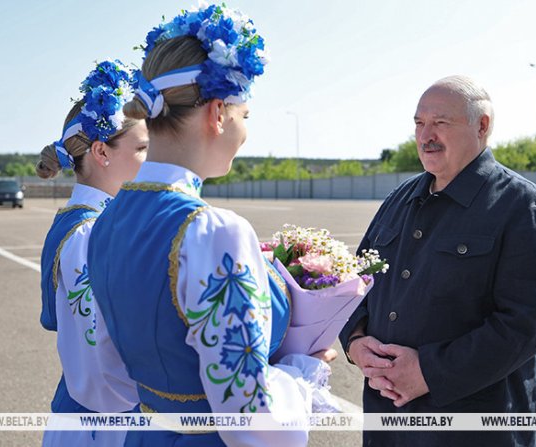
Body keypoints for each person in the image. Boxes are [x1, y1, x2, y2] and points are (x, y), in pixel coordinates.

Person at [87, 5, 335, 446]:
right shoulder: (213, 231)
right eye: (245, 116)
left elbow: (109, 371)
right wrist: (304, 372)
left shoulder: (105, 222)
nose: (244, 131)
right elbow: (249, 416)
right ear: (218, 113)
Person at [340, 75, 536, 446]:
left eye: (441, 122)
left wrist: (429, 372)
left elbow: (527, 320)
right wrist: (355, 340)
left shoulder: (522, 207)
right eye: (419, 123)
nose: (426, 135)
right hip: (389, 424)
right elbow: (354, 283)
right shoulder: (398, 200)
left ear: (482, 126)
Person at [37, 60, 148, 446]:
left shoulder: (85, 223)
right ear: (101, 152)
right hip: (105, 426)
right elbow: (106, 361)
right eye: (142, 148)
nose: (151, 160)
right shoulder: (91, 234)